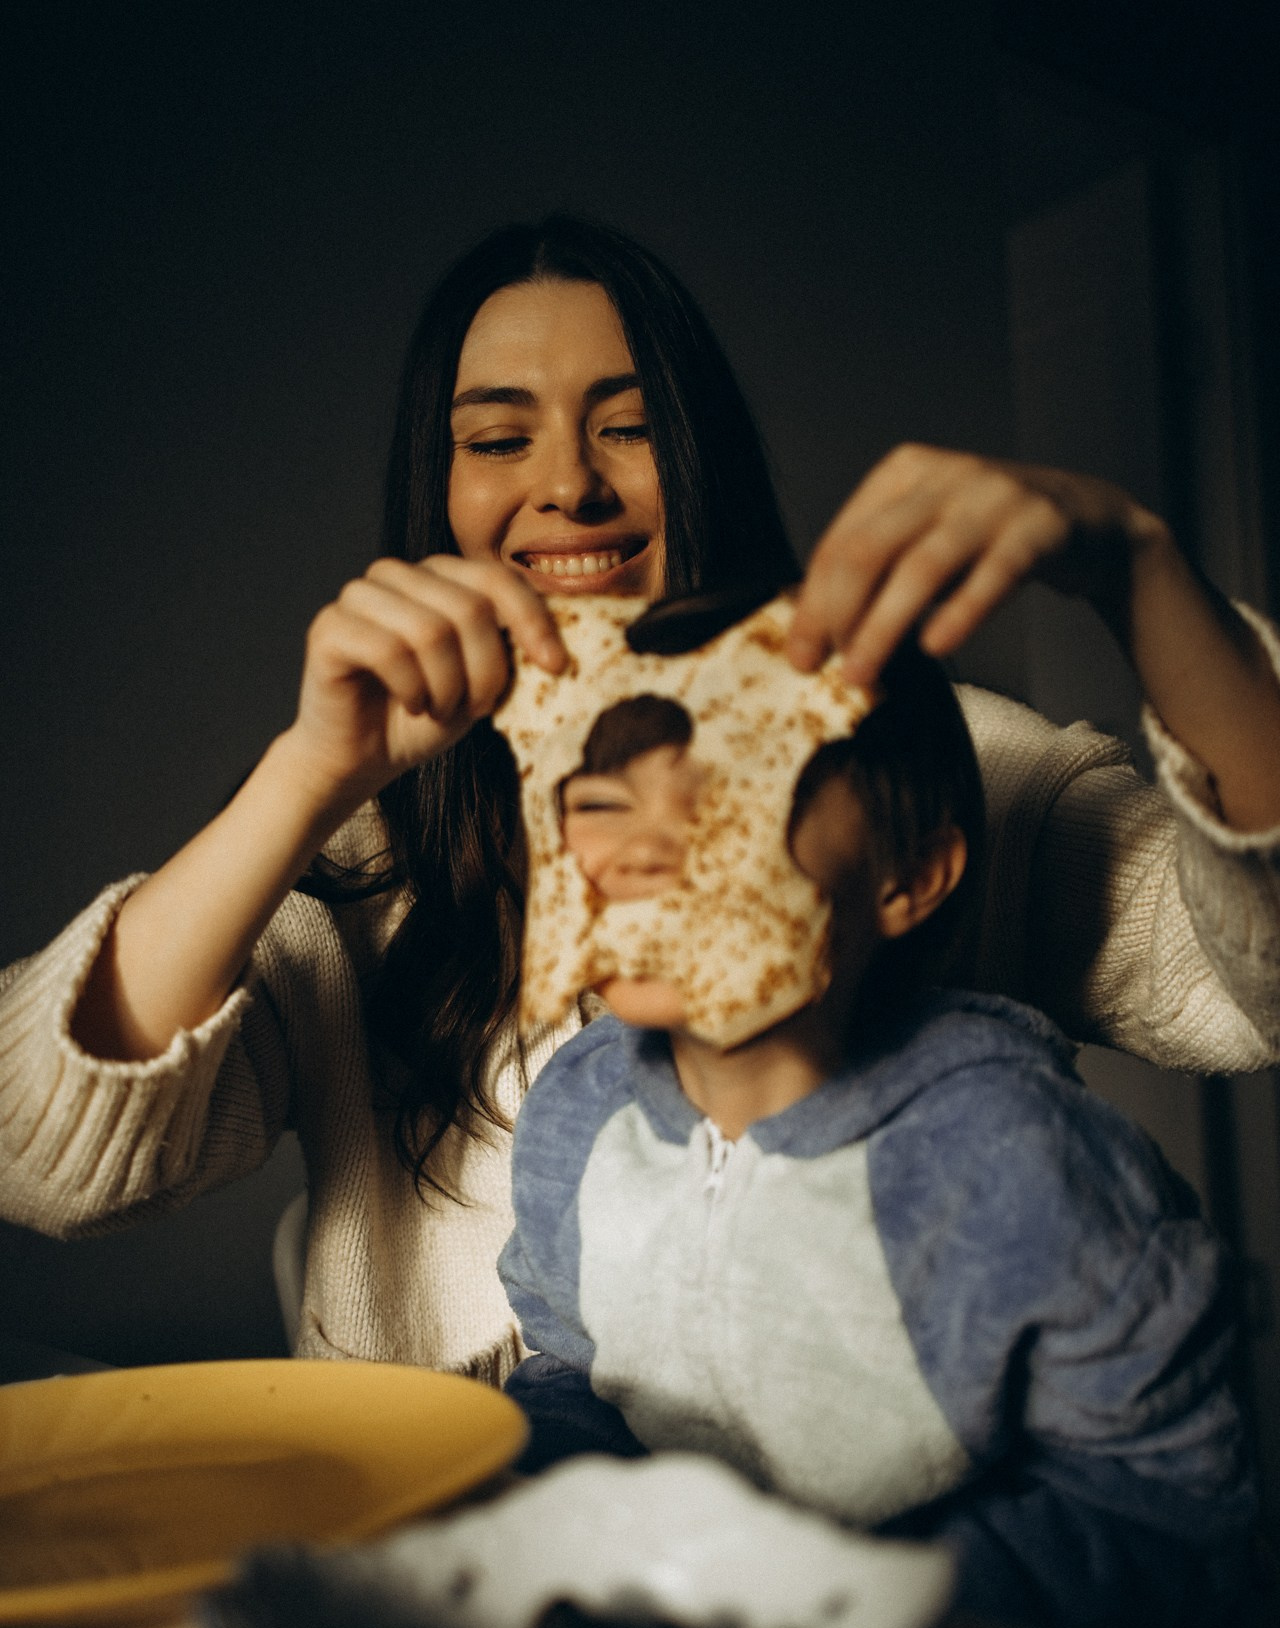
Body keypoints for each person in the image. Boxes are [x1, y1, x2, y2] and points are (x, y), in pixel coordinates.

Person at [1, 215, 1278, 1380]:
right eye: (498, 439)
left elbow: (1248, 973)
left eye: (627, 426)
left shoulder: (943, 773)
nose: (568, 485)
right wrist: (310, 775)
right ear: (440, 491)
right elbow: (37, 1161)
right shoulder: (362, 845)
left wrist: (1138, 568)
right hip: (445, 1531)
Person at [499, 644, 1256, 1628]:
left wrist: (869, 1606)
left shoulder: (1012, 1157)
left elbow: (1167, 1503)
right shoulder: (575, 1114)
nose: (641, 858)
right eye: (605, 804)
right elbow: (575, 1372)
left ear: (909, 877)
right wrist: (535, 1503)